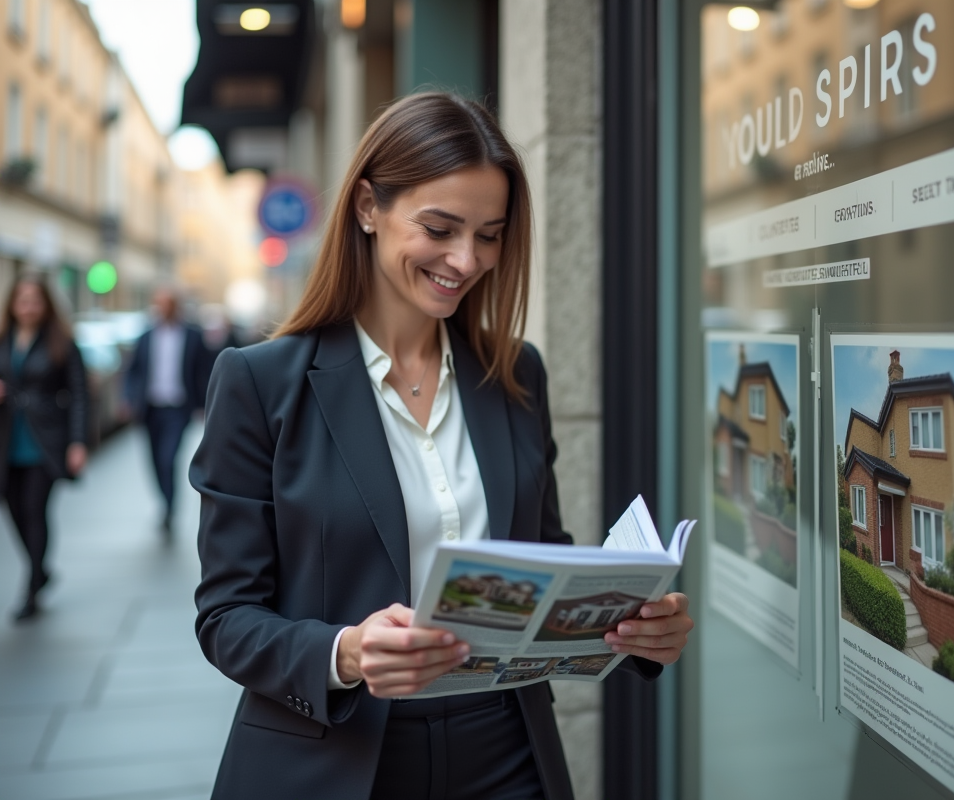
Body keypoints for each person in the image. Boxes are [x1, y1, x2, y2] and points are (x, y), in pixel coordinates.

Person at [190, 92, 694, 800]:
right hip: (338, 760)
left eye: (490, 234)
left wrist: (630, 624)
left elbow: (541, 558)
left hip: (507, 753)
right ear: (368, 207)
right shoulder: (260, 383)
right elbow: (227, 618)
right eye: (441, 227)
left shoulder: (515, 373)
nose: (467, 259)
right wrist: (346, 652)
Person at [0, 273, 89, 621]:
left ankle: (31, 589)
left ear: (46, 304)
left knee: (34, 510)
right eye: (22, 300)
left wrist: (78, 442)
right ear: (12, 303)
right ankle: (41, 570)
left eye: (35, 300)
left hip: (46, 441)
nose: (28, 307)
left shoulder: (62, 341)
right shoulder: (4, 339)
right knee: (15, 512)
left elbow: (81, 394)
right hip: (8, 440)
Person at [124, 287, 208, 532]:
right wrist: (127, 398)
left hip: (178, 408)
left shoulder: (193, 335)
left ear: (176, 307)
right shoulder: (146, 336)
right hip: (150, 408)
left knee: (168, 457)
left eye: (166, 304)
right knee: (154, 460)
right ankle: (165, 501)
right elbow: (133, 371)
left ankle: (170, 507)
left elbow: (203, 370)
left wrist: (204, 403)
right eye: (158, 304)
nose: (162, 309)